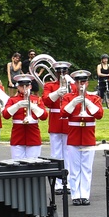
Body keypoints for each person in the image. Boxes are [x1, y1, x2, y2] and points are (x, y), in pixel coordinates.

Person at [60, 70, 105, 205]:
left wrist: (88, 103)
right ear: (75, 83)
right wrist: (73, 103)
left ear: (87, 83)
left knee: (86, 168)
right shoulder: (68, 97)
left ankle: (84, 195)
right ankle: (75, 195)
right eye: (79, 82)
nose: (81, 85)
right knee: (74, 169)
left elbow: (100, 115)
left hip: (88, 136)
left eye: (83, 82)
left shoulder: (94, 98)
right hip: (74, 136)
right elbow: (63, 113)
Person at [2, 74, 48, 159]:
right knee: (17, 164)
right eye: (21, 86)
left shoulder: (37, 99)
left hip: (33, 135)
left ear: (30, 86)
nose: (24, 88)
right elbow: (5, 115)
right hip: (18, 136)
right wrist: (17, 105)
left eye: (26, 86)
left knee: (34, 164)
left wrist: (33, 106)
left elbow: (44, 116)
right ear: (18, 87)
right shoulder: (12, 100)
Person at [42, 61, 72, 190]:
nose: (61, 74)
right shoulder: (50, 85)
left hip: (68, 122)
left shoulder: (72, 85)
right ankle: (58, 184)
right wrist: (56, 93)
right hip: (55, 121)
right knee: (56, 153)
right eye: (59, 72)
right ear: (55, 73)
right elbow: (46, 101)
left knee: (69, 153)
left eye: (64, 72)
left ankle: (69, 182)